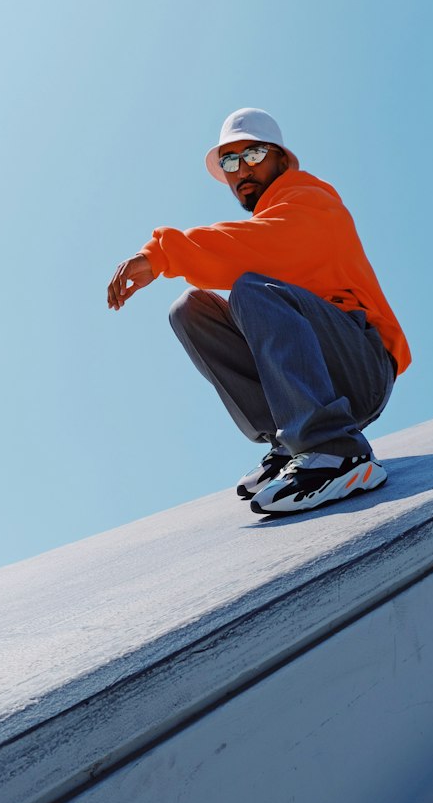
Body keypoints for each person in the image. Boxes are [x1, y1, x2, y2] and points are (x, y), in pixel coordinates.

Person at [107, 109, 411, 515]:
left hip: (363, 366)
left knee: (251, 289)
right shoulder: (273, 217)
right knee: (191, 309)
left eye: (252, 155)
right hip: (326, 374)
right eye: (229, 162)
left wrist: (162, 254)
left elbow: (262, 244)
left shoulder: (312, 200)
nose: (240, 170)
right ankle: (290, 443)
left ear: (281, 160)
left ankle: (338, 451)